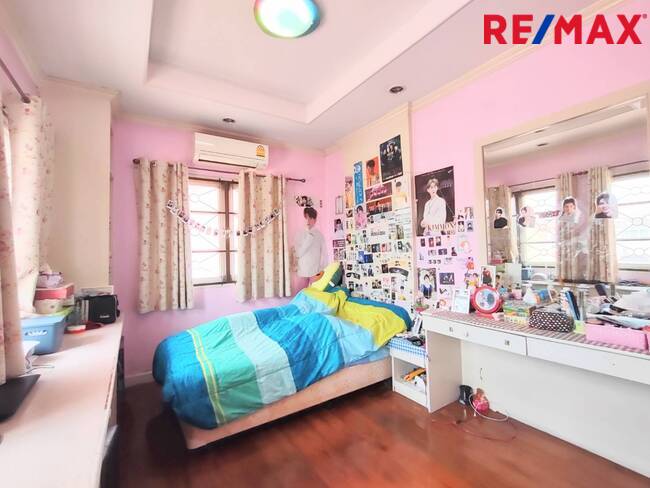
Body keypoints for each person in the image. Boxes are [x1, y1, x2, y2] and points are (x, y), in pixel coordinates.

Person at [295, 207, 326, 290]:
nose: (308, 221)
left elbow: (324, 253)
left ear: (315, 220)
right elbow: (298, 253)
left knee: (315, 294)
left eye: (311, 218)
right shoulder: (299, 234)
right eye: (306, 218)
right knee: (300, 294)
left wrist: (322, 268)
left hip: (315, 271)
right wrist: (309, 237)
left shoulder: (319, 235)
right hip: (303, 270)